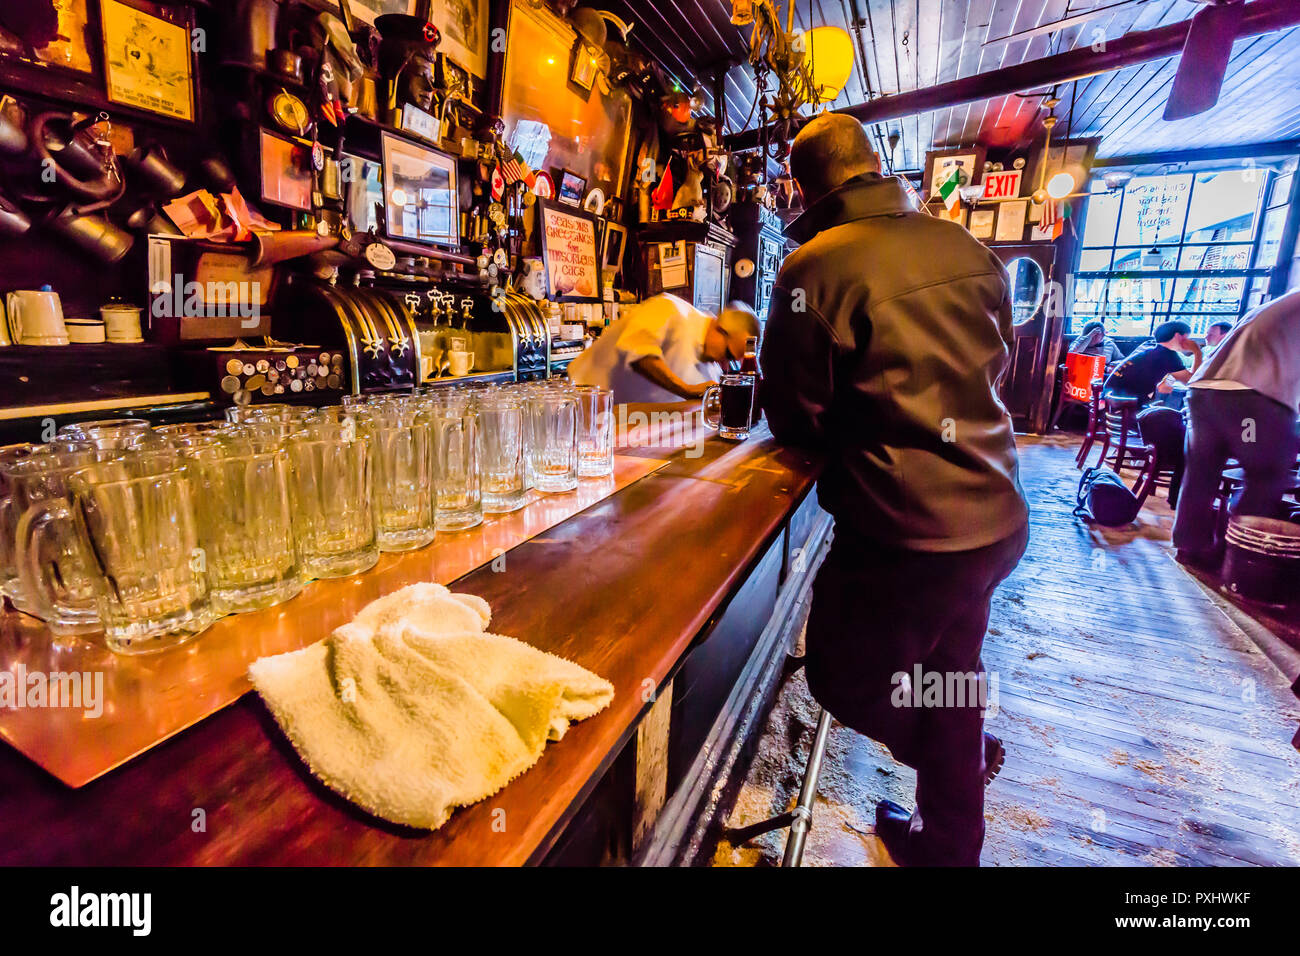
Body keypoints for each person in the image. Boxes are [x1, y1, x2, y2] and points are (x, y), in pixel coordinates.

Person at [758, 112, 1029, 867]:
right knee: (951, 677)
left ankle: (959, 761)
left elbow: (795, 414)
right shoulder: (965, 245)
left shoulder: (814, 266)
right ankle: (948, 843)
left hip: (907, 533)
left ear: (806, 189)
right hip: (997, 514)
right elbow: (988, 371)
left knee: (843, 677)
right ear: (877, 168)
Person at [1172, 290, 1300, 570]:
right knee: (1266, 472)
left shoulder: (1280, 302)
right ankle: (1239, 551)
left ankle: (1189, 546)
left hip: (1204, 395)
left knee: (1201, 473)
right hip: (1248, 402)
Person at [567, 293, 759, 403]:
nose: (724, 364)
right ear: (720, 329)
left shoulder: (710, 368)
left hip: (629, 430)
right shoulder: (669, 309)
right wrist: (686, 390)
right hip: (583, 409)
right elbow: (638, 354)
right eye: (728, 354)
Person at [1102, 320, 1202, 404]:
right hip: (1123, 405)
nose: (1189, 341)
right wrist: (1197, 352)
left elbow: (1164, 384)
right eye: (1187, 337)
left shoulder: (1150, 349)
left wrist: (1170, 379)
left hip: (1110, 399)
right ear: (1178, 337)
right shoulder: (1168, 356)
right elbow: (1192, 382)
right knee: (1174, 414)